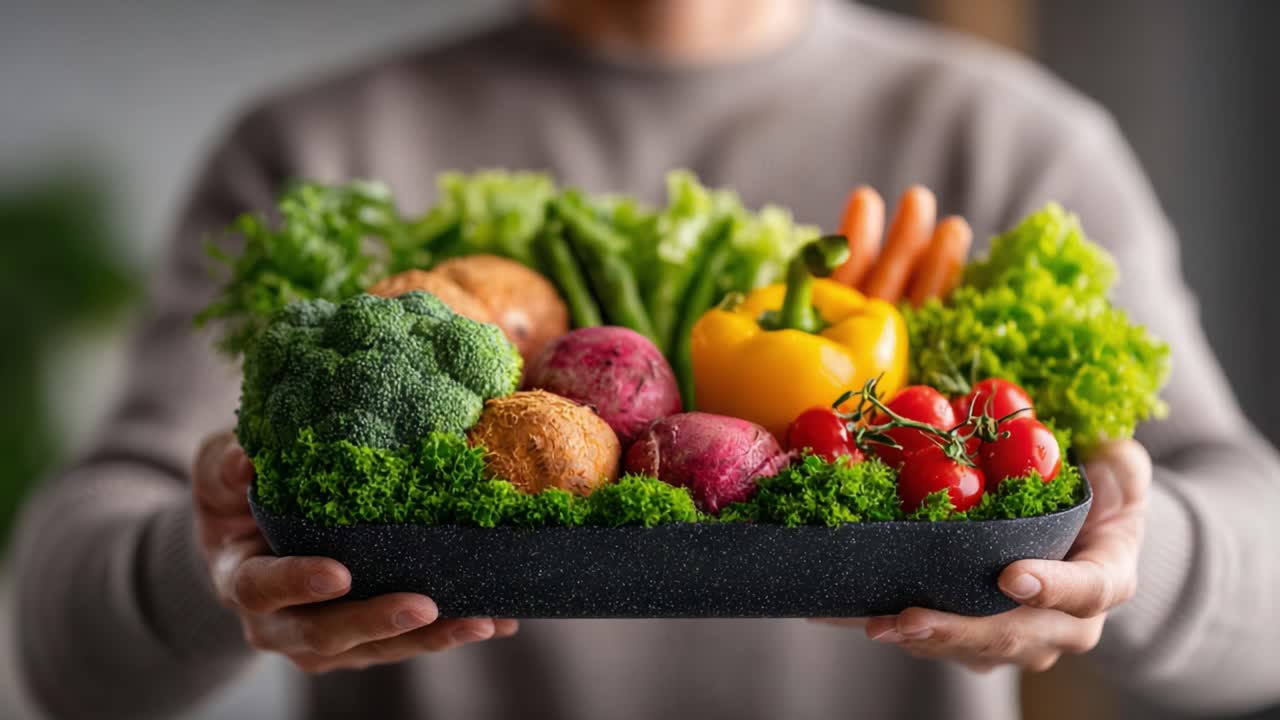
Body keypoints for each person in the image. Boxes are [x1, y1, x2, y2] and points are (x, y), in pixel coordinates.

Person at [13, 0, 1280, 718]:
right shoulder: (319, 144)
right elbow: (63, 643)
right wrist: (222, 566)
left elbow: (1260, 608)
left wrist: (1106, 562)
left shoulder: (1010, 138)